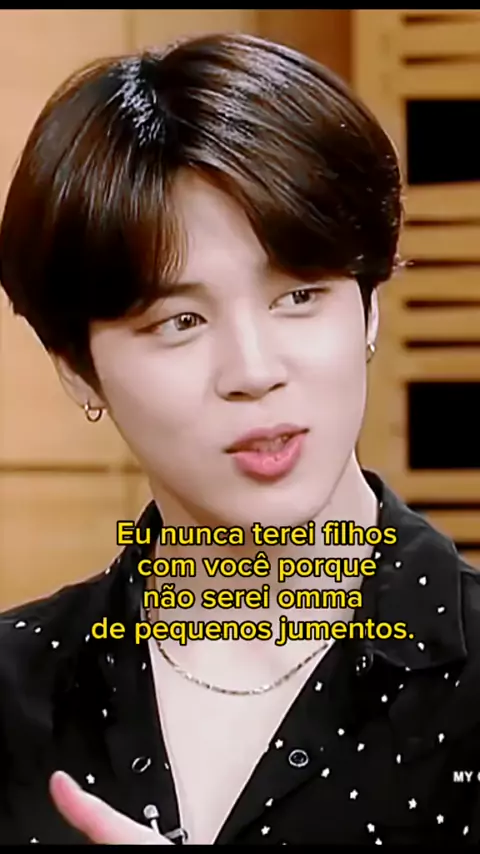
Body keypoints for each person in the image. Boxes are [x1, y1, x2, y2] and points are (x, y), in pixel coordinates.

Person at [0, 31, 479, 847]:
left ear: (368, 309)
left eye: (299, 297)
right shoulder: (16, 697)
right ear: (78, 370)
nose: (254, 372)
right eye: (180, 321)